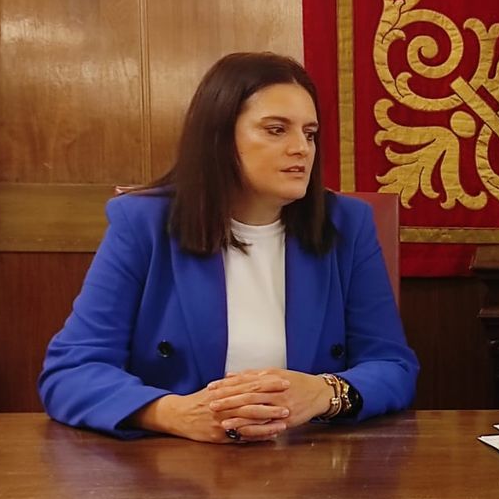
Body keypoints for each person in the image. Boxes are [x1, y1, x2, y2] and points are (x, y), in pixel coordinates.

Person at [39, 52, 419, 442]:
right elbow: (72, 372)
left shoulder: (345, 225)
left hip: (311, 469)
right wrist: (173, 413)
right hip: (173, 475)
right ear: (220, 137)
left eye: (309, 133)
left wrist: (325, 393)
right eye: (276, 130)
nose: (301, 149)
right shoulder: (143, 224)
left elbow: (392, 366)